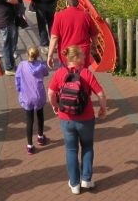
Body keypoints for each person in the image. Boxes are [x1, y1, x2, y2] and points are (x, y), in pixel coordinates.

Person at [49, 45, 108, 194]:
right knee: (87, 146)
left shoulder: (60, 73)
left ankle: (74, 184)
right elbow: (101, 94)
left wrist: (55, 106)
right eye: (82, 55)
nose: (84, 57)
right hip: (86, 118)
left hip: (66, 119)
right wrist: (103, 109)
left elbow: (50, 93)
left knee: (71, 150)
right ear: (75, 59)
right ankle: (86, 179)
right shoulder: (86, 74)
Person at [47, 0, 99, 70]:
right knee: (82, 76)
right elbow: (94, 34)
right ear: (78, 3)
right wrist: (94, 45)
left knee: (66, 78)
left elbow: (54, 37)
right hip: (82, 53)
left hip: (66, 53)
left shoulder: (59, 16)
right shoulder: (86, 16)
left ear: (66, 3)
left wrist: (50, 55)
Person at [16, 45, 50, 154]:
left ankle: (30, 145)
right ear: (38, 55)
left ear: (27, 54)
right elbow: (46, 73)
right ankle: (40, 136)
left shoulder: (22, 65)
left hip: (27, 96)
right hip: (38, 95)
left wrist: (19, 89)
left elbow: (17, 78)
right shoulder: (41, 65)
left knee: (29, 120)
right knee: (40, 116)